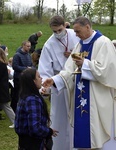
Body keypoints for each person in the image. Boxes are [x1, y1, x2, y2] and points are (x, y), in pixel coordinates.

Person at [42, 16, 116, 149]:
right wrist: (54, 80)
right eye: (75, 32)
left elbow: (108, 70)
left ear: (87, 27)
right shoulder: (79, 45)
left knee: (98, 136)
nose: (75, 34)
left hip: (97, 99)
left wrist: (85, 64)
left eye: (77, 31)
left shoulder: (104, 43)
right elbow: (69, 70)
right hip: (81, 98)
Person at [38, 15, 79, 150]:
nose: (57, 34)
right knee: (60, 119)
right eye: (54, 31)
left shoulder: (76, 35)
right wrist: (45, 87)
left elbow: (89, 53)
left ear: (64, 26)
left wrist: (75, 54)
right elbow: (44, 70)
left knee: (77, 117)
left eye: (59, 30)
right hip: (59, 85)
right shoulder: (49, 45)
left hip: (77, 82)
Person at [15, 68, 58, 150]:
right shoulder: (32, 100)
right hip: (33, 143)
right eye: (38, 77)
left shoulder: (24, 96)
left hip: (24, 142)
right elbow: (35, 128)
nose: (41, 78)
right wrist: (49, 132)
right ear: (33, 81)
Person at [12, 40, 34, 112]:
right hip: (18, 78)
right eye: (27, 46)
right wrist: (26, 69)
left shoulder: (28, 55)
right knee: (17, 94)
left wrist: (32, 69)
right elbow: (15, 66)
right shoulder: (17, 55)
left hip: (26, 78)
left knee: (25, 94)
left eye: (30, 46)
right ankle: (14, 109)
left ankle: (23, 108)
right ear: (23, 46)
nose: (29, 48)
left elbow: (31, 65)